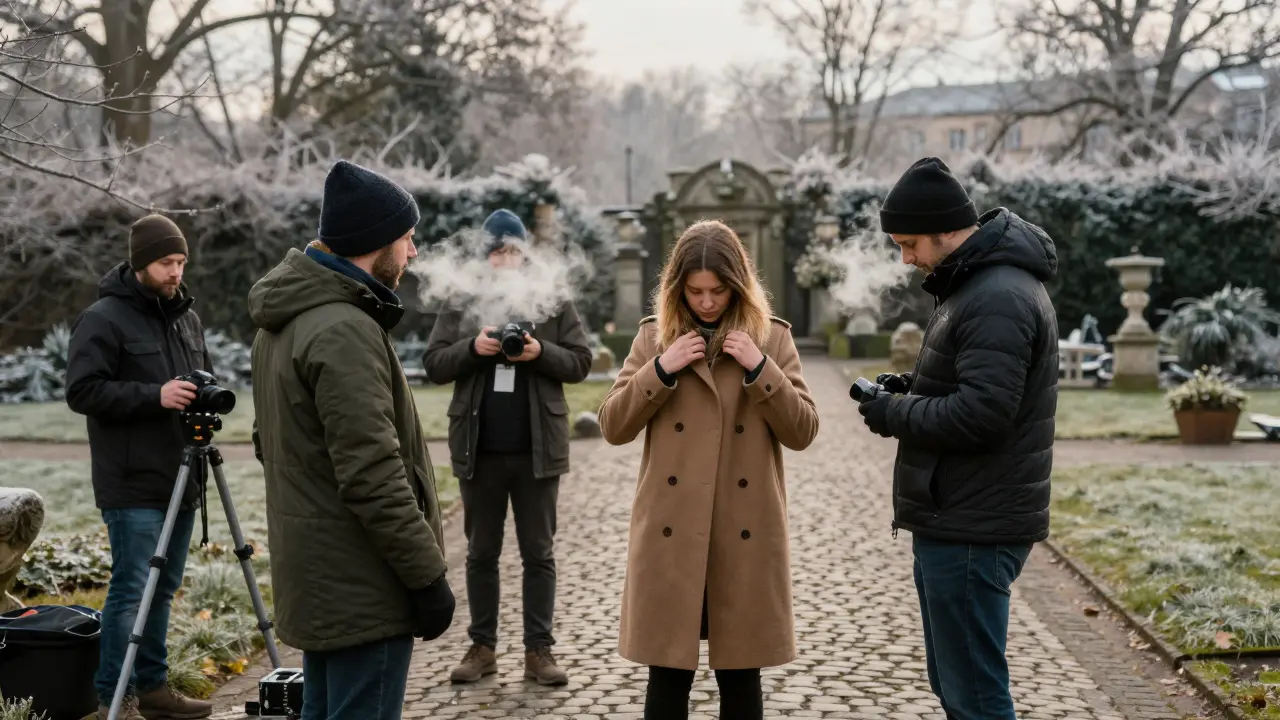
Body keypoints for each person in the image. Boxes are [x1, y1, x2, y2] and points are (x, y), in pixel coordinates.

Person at [247, 160, 455, 720]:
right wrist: (427, 575)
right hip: (364, 587)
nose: (412, 253)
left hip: (323, 581)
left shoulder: (286, 322)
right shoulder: (343, 329)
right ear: (377, 240)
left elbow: (277, 447)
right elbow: (372, 473)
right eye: (407, 239)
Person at [856, 157, 1059, 720]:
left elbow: (983, 414)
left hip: (974, 520)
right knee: (956, 683)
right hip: (960, 515)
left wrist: (895, 412)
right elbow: (972, 387)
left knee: (974, 694)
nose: (906, 258)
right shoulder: (973, 285)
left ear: (947, 229)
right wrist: (910, 388)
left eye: (909, 243)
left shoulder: (996, 294)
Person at [598, 219, 819, 720]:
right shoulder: (653, 339)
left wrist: (762, 369)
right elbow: (612, 425)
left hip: (741, 534)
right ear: (678, 288)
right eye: (695, 291)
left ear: (737, 286)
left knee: (741, 677)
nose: (707, 303)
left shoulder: (773, 339)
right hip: (672, 534)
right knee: (667, 674)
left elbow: (803, 430)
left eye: (718, 290)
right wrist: (660, 368)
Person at [423, 209, 592, 687]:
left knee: (539, 553)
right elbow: (434, 363)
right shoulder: (461, 298)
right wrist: (474, 349)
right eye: (497, 251)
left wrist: (541, 354)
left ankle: (539, 650)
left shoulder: (551, 299)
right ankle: (482, 648)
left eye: (514, 251)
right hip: (480, 450)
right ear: (484, 256)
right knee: (480, 553)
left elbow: (580, 362)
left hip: (538, 451)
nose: (506, 260)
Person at [64, 214, 216, 720]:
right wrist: (156, 396)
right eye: (166, 263)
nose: (176, 273)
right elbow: (83, 391)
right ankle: (115, 698)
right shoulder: (102, 318)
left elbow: (202, 378)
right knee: (132, 591)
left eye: (181, 262)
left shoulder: (186, 317)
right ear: (139, 264)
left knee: (163, 590)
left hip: (181, 477)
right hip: (132, 483)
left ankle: (152, 689)